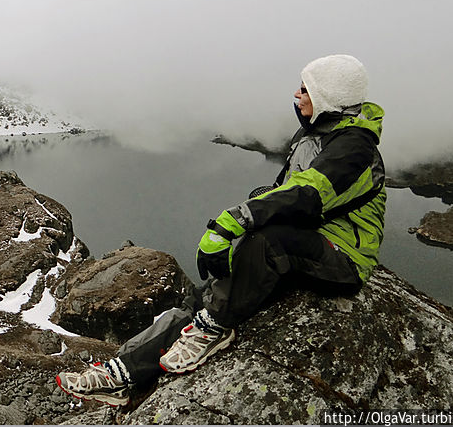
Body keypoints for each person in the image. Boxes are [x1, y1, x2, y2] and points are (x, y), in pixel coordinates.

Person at [56, 54, 386, 407]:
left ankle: (214, 329)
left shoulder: (354, 148)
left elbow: (307, 194)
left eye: (305, 89)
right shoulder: (317, 134)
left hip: (344, 257)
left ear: (328, 97)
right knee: (207, 295)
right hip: (307, 243)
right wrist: (258, 208)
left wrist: (233, 221)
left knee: (265, 242)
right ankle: (122, 373)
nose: (297, 94)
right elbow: (289, 190)